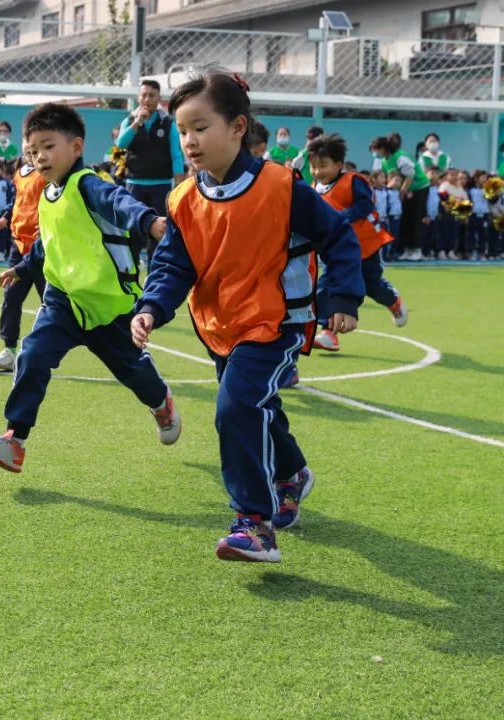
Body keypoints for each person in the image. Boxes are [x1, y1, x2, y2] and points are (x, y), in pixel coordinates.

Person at [131, 70, 364, 563]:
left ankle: (254, 523)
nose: (190, 141)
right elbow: (173, 265)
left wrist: (343, 298)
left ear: (238, 127)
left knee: (235, 408)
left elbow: (339, 236)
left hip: (276, 324)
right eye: (183, 131)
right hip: (220, 326)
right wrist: (151, 307)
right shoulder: (183, 199)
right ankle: (292, 474)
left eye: (201, 127)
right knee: (257, 406)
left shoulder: (281, 186)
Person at [0, 102, 180, 474]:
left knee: (132, 372)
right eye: (32, 151)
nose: (39, 157)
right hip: (62, 302)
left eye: (48, 146)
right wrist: (22, 267)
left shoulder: (88, 184)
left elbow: (119, 202)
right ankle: (14, 440)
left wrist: (149, 221)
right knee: (32, 355)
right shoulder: (46, 194)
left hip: (107, 306)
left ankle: (160, 402)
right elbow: (47, 243)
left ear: (76, 147)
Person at [307, 133, 406, 354]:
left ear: (338, 164)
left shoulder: (353, 181)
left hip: (364, 245)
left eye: (323, 166)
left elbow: (365, 206)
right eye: (313, 167)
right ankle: (329, 333)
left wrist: (341, 217)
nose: (317, 172)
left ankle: (393, 301)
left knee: (371, 285)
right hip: (336, 251)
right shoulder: (313, 188)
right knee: (326, 286)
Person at [0, 142, 44, 372]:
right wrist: (4, 219)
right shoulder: (19, 174)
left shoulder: (49, 173)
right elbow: (17, 202)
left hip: (42, 247)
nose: (31, 151)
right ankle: (9, 350)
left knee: (50, 302)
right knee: (11, 296)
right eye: (28, 146)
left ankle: (44, 350)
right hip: (18, 246)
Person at [115, 79, 186, 261]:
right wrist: (136, 123)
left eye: (151, 95)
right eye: (144, 95)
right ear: (138, 98)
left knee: (160, 232)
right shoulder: (129, 121)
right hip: (134, 185)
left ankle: (155, 272)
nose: (147, 99)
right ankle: (130, 271)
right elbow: (120, 143)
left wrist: (179, 183)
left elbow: (176, 154)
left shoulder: (168, 123)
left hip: (161, 186)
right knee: (134, 231)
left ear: (158, 98)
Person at [372, 133, 430, 261]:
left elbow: (410, 174)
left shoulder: (400, 156)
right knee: (406, 220)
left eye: (377, 149)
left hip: (419, 188)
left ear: (383, 148)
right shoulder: (384, 161)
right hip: (404, 192)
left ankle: (417, 249)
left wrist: (403, 191)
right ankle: (407, 249)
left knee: (415, 218)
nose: (375, 153)